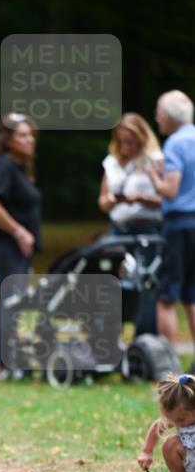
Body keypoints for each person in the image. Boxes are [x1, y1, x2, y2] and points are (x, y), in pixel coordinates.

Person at [0, 114, 41, 379]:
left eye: (31, 135)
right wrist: (19, 232)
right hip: (6, 246)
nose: (29, 140)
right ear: (9, 140)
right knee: (10, 302)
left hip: (18, 249)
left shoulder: (18, 166)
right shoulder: (4, 165)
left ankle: (16, 361)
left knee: (15, 303)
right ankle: (5, 365)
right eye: (22, 135)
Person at [97, 113, 163, 335]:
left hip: (147, 230)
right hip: (119, 230)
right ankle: (112, 334)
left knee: (145, 282)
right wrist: (108, 201)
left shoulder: (155, 160)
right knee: (116, 282)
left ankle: (145, 335)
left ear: (142, 138)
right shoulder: (112, 162)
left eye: (131, 141)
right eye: (122, 140)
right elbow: (103, 200)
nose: (127, 146)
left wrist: (141, 198)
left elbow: (167, 197)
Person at [150, 91, 195, 367]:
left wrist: (153, 175)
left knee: (166, 295)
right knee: (193, 294)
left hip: (178, 224)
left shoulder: (175, 144)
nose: (157, 118)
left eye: (158, 113)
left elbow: (170, 189)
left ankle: (169, 365)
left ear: (167, 116)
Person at [138, 373, 195, 472]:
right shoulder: (178, 418)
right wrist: (147, 451)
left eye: (181, 419)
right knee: (170, 444)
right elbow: (157, 427)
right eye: (172, 420)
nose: (177, 424)